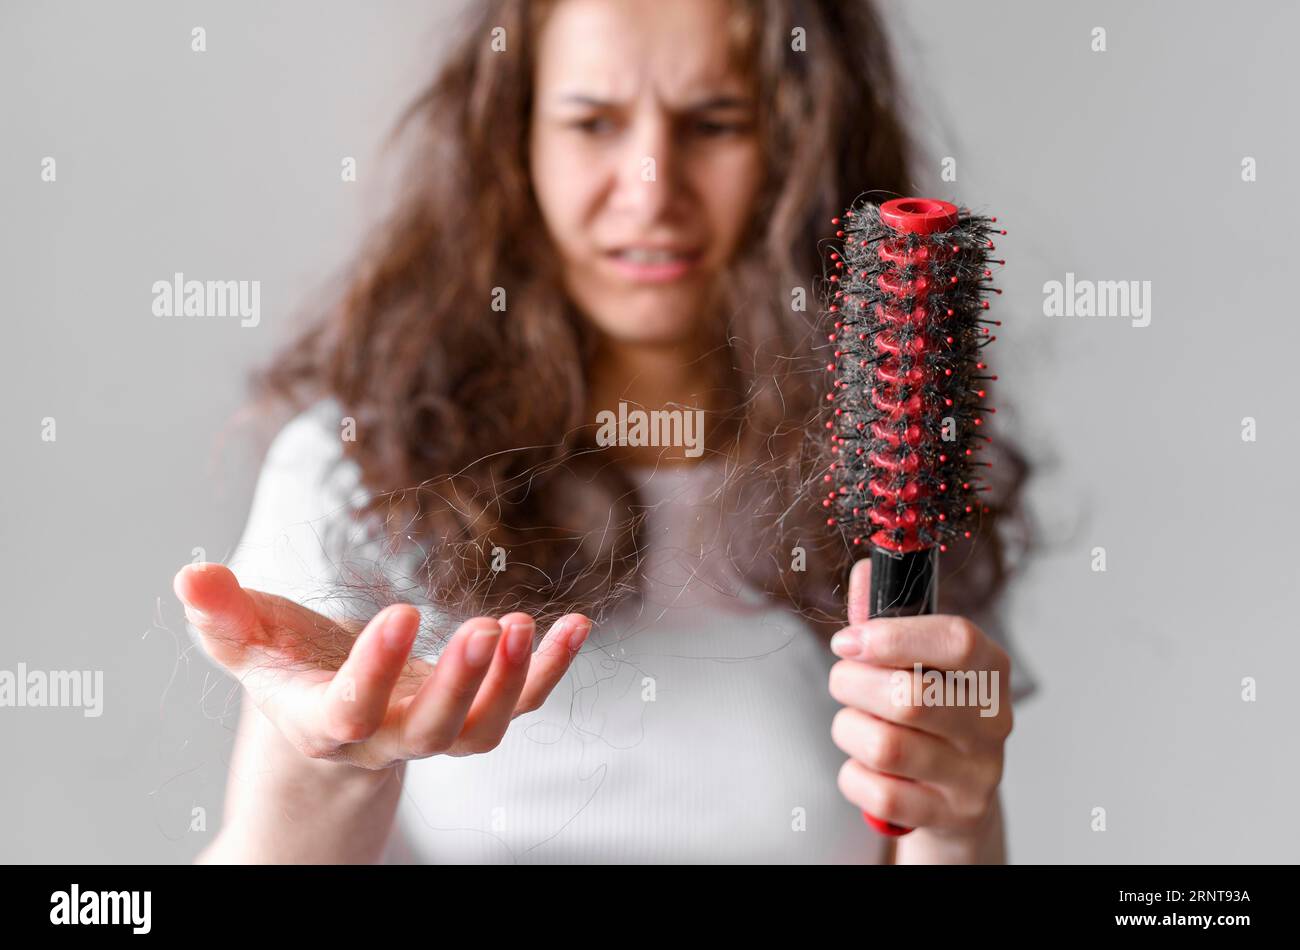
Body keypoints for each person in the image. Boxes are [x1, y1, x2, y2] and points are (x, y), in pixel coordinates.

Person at [175, 0, 1028, 864]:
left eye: (716, 122)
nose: (652, 188)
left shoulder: (898, 473)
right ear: (516, 143)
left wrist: (956, 819)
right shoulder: (354, 473)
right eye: (592, 123)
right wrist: (333, 766)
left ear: (801, 143)